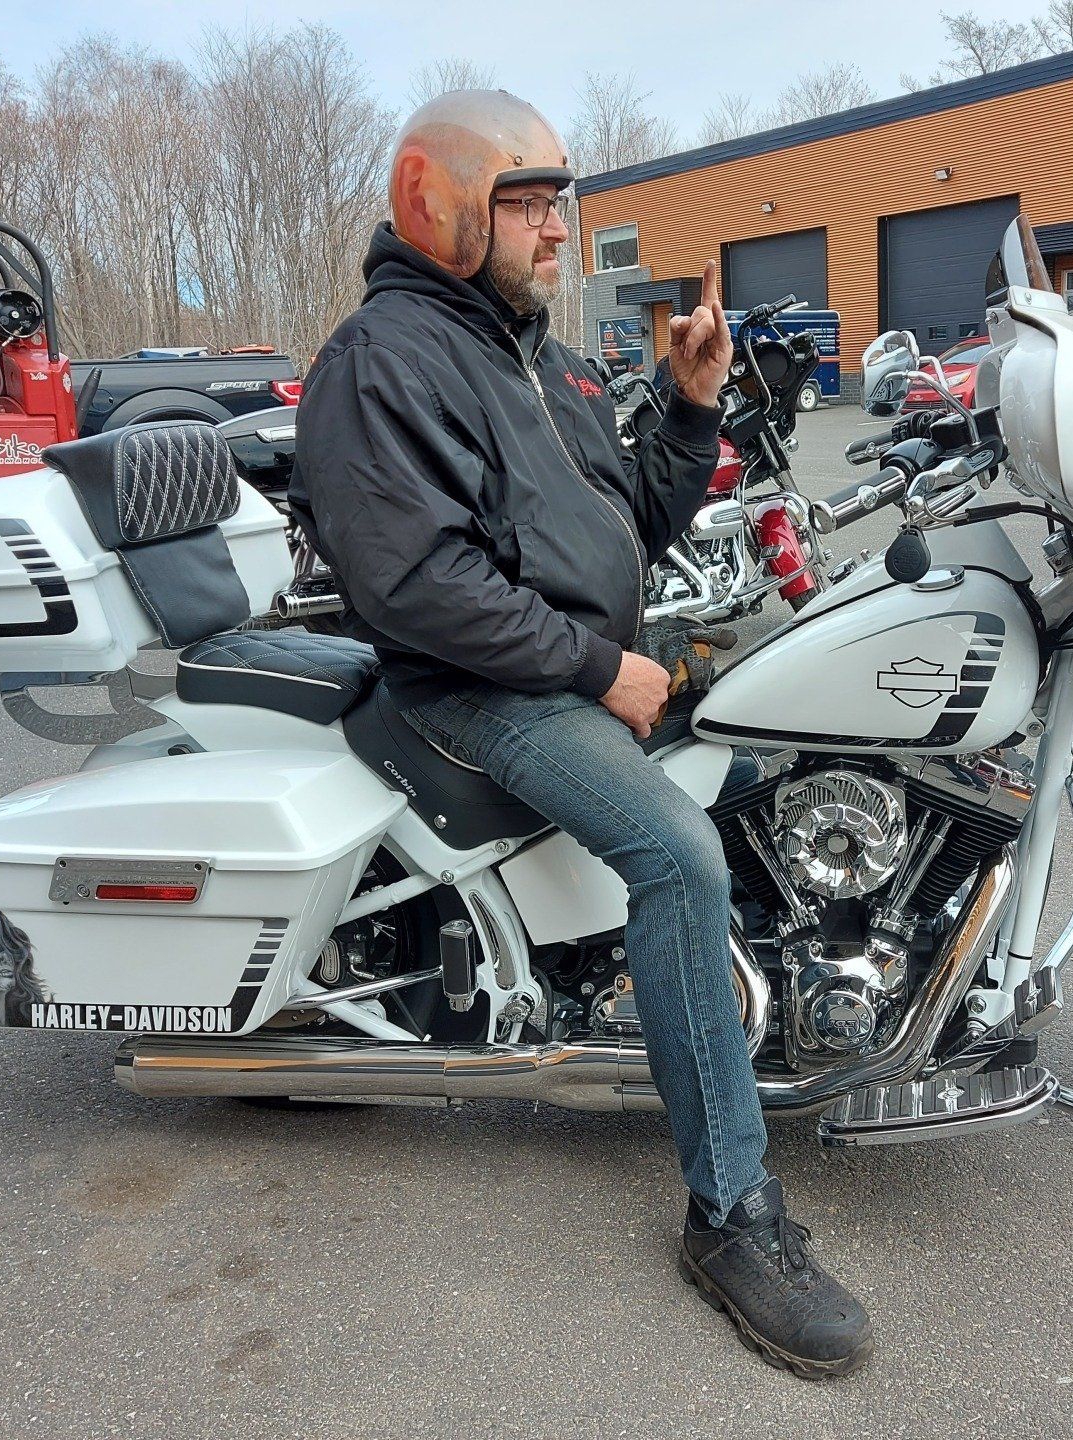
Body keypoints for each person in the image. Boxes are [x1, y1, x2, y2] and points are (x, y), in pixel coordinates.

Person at [290, 90, 872, 1378]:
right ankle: (731, 1214)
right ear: (428, 202)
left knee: (781, 758)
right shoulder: (385, 360)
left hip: (556, 663)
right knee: (678, 856)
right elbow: (421, 585)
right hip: (476, 685)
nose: (557, 228)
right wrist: (596, 668)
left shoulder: (524, 352)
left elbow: (621, 531)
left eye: (561, 199)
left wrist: (687, 407)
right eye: (527, 199)